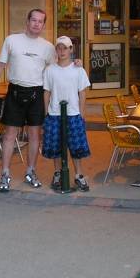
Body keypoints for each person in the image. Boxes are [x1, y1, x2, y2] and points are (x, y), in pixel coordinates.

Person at [0, 9, 56, 192]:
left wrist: (76, 64)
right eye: (33, 20)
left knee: (35, 135)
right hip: (15, 92)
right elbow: (0, 66)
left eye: (40, 21)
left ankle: (30, 171)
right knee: (10, 135)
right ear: (27, 21)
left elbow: (55, 71)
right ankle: (5, 173)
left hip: (36, 94)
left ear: (43, 25)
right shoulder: (12, 40)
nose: (36, 24)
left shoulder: (48, 47)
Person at [42, 36, 92, 192]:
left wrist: (82, 112)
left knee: (76, 146)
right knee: (56, 146)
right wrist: (46, 112)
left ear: (71, 50)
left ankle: (79, 174)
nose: (62, 51)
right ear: (56, 50)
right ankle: (57, 173)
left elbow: (82, 92)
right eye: (59, 48)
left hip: (73, 113)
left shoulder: (78, 69)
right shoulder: (50, 70)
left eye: (65, 48)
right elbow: (47, 92)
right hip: (55, 113)